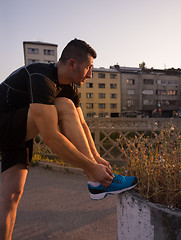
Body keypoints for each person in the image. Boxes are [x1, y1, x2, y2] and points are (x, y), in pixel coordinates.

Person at [0, 39, 137, 240]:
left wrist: (97, 159)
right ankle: (95, 181)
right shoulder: (41, 77)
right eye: (89, 68)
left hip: (19, 132)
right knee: (63, 104)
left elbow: (81, 125)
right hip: (4, 124)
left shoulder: (69, 88)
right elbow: (51, 138)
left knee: (12, 195)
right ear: (72, 64)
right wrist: (91, 169)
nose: (90, 74)